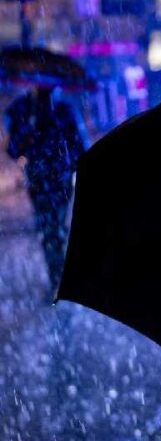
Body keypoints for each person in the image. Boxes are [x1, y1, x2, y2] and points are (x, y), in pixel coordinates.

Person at [3, 86, 88, 296]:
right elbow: (14, 148)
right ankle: (58, 276)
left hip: (57, 179)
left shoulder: (62, 109)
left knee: (53, 227)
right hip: (44, 180)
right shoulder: (24, 109)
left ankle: (59, 275)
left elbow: (78, 144)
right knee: (52, 228)